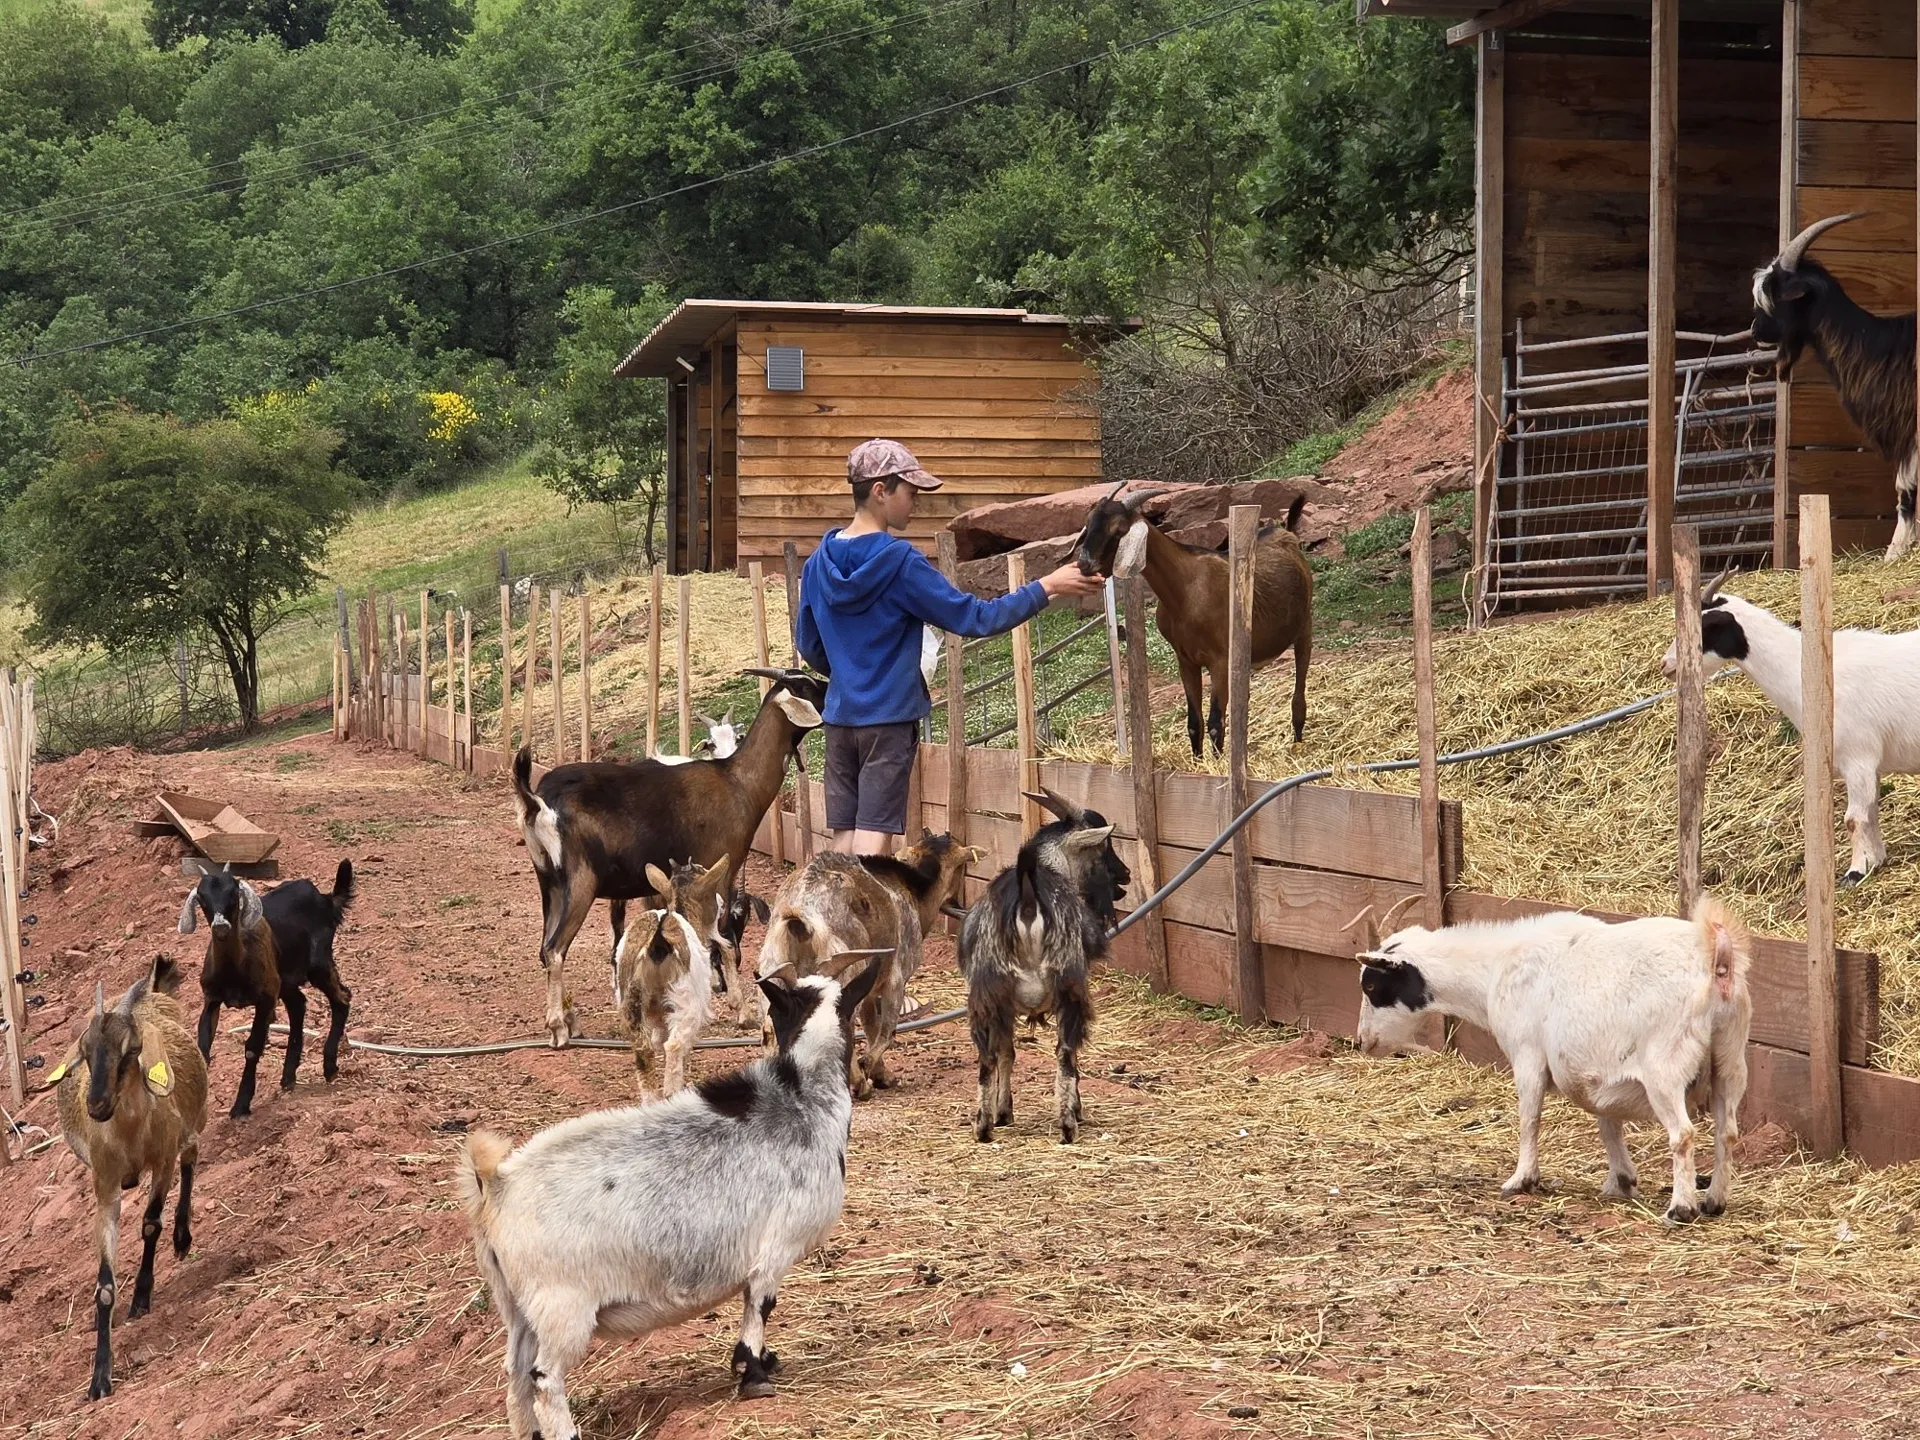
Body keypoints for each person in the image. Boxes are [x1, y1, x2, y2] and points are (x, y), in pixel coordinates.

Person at [796, 439, 1106, 855]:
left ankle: (828, 919)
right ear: (880, 491)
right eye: (911, 492)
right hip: (886, 722)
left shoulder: (817, 563)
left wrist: (850, 676)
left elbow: (810, 645)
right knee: (872, 841)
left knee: (844, 839)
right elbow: (975, 618)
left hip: (839, 719)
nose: (917, 503)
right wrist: (1046, 586)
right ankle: (862, 921)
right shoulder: (900, 563)